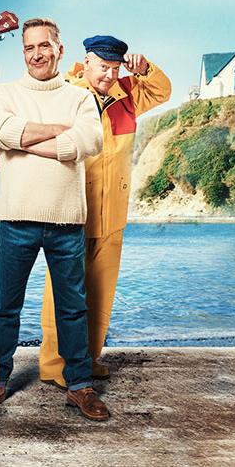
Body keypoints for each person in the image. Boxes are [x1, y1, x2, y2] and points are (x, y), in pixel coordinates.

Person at [0, 18, 111, 421]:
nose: (36, 54)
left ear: (59, 49)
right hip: (17, 217)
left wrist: (24, 140)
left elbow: (89, 141)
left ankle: (80, 386)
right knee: (4, 308)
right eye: (29, 47)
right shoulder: (5, 93)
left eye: (44, 46)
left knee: (73, 308)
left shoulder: (81, 98)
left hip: (67, 220)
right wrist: (58, 133)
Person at [38, 35, 171, 387]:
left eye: (115, 68)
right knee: (63, 292)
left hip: (112, 210)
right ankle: (55, 365)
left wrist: (144, 69)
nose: (109, 75)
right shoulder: (65, 91)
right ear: (86, 62)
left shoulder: (126, 94)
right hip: (71, 209)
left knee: (100, 290)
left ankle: (87, 358)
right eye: (103, 67)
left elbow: (162, 91)